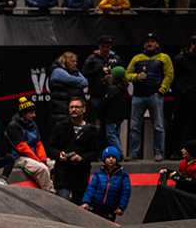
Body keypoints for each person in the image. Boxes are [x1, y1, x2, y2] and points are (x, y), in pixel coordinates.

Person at [126, 33, 174, 161]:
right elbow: (126, 74)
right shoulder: (137, 58)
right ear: (144, 44)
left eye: (152, 41)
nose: (149, 43)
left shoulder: (164, 58)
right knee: (134, 126)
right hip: (137, 97)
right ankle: (133, 153)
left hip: (155, 96)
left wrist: (162, 90)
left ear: (157, 44)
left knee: (158, 126)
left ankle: (159, 153)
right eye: (147, 41)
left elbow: (169, 75)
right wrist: (136, 77)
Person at [48, 97, 100, 204]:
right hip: (63, 173)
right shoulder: (60, 126)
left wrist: (82, 157)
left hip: (80, 175)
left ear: (84, 109)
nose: (74, 109)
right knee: (63, 202)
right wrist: (59, 154)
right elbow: (50, 148)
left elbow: (95, 153)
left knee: (77, 206)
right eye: (71, 107)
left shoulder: (92, 130)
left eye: (77, 107)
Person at [6, 97, 55, 192]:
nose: (34, 115)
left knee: (55, 165)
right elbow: (22, 148)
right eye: (31, 113)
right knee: (42, 168)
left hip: (33, 156)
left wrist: (43, 158)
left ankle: (58, 187)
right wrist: (38, 160)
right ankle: (50, 193)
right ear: (24, 113)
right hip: (19, 158)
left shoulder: (32, 124)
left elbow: (38, 143)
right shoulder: (13, 126)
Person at [82, 146, 131, 221]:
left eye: (113, 157)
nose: (111, 159)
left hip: (111, 208)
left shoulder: (123, 176)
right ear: (104, 159)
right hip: (95, 206)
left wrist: (121, 207)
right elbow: (91, 188)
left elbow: (125, 192)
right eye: (108, 157)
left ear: (117, 159)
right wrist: (86, 202)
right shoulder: (98, 174)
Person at [82, 35, 122, 125]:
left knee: (109, 125)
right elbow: (84, 72)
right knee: (94, 123)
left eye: (107, 46)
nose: (105, 49)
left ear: (111, 46)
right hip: (96, 95)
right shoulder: (92, 58)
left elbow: (122, 76)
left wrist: (113, 77)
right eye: (103, 46)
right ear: (99, 46)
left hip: (112, 97)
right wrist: (99, 69)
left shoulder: (116, 58)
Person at [170, 37, 196, 158]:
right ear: (191, 44)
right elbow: (173, 78)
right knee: (180, 125)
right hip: (183, 98)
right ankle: (178, 151)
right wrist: (180, 91)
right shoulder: (179, 59)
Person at [49, 51, 89, 126]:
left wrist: (76, 71)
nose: (75, 63)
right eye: (73, 61)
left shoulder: (73, 71)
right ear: (66, 61)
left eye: (76, 61)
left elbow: (85, 82)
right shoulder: (58, 71)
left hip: (69, 110)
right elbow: (84, 82)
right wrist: (77, 80)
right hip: (61, 111)